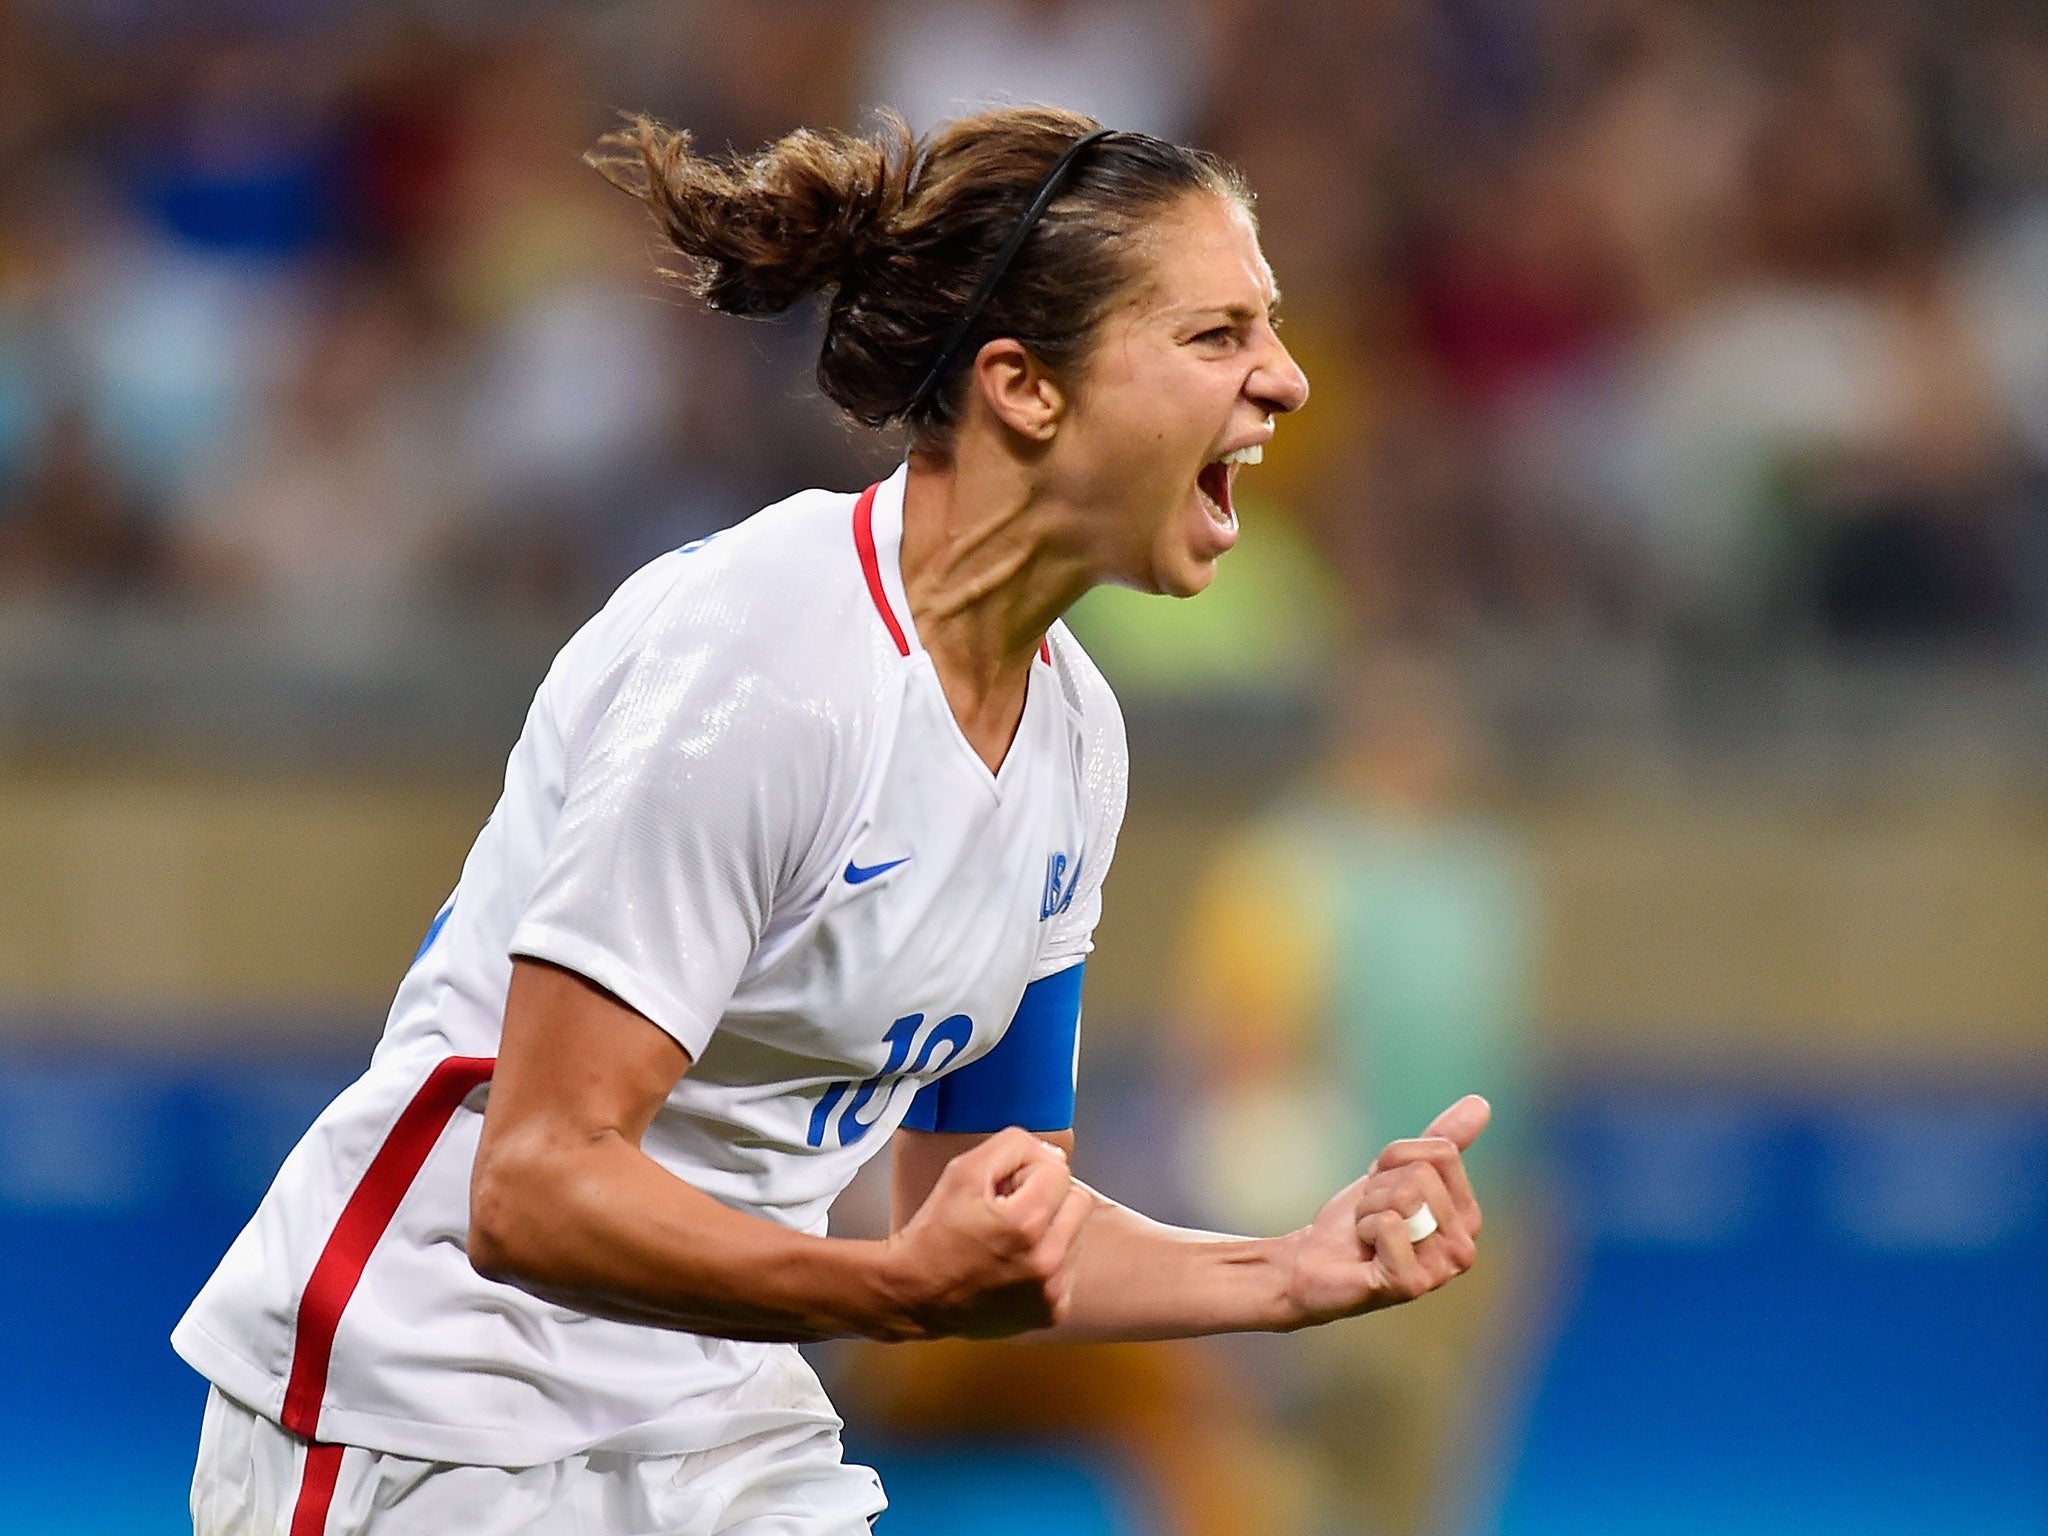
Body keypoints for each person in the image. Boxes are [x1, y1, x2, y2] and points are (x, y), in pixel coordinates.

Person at [173, 105, 1490, 1536]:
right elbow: (536, 1188)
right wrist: (889, 1288)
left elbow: (985, 1217)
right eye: (1218, 335)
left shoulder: (1074, 740)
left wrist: (1290, 1271)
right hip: (421, 1414)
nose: (1287, 381)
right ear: (1023, 388)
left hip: (719, 1422)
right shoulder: (763, 659)